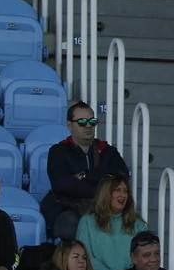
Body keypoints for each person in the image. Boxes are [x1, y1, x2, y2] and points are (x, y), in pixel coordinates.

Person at [43, 102, 130, 242]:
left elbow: (121, 177)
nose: (88, 126)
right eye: (82, 122)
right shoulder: (58, 151)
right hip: (68, 209)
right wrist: (101, 180)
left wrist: (83, 176)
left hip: (103, 209)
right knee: (71, 224)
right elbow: (61, 185)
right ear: (70, 125)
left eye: (92, 121)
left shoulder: (108, 151)